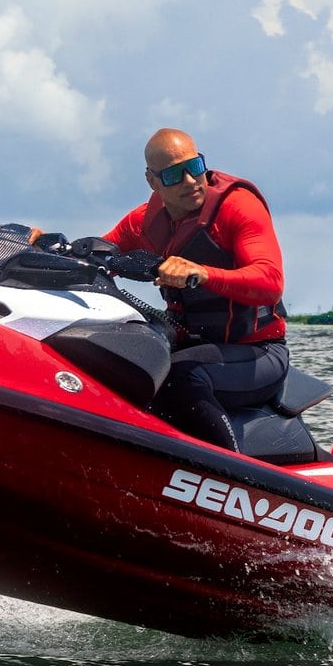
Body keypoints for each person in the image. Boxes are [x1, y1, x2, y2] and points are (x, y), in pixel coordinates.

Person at [102, 128, 288, 451]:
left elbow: (270, 281)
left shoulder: (237, 207)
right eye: (175, 174)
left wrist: (201, 273)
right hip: (195, 346)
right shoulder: (142, 222)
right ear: (153, 182)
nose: (190, 181)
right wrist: (47, 247)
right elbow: (101, 254)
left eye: (195, 167)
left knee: (179, 378)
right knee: (123, 361)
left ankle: (234, 478)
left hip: (260, 354)